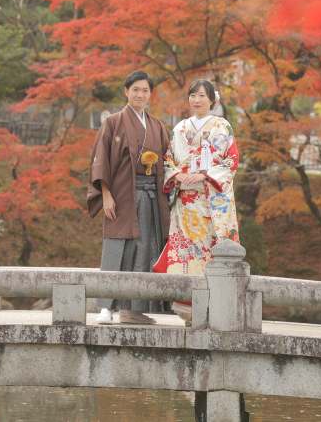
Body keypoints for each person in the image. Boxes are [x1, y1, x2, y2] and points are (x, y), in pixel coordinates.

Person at [152, 79, 240, 325]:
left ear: (213, 99)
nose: (197, 100)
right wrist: (177, 175)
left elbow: (230, 161)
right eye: (193, 95)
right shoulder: (179, 128)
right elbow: (167, 159)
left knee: (211, 249)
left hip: (210, 202)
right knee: (185, 251)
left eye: (202, 95)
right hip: (186, 201)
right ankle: (187, 309)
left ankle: (213, 306)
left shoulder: (222, 127)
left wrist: (202, 175)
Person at [87, 71, 171, 324]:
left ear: (150, 94)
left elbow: (170, 161)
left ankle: (132, 311)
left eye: (145, 90)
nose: (140, 94)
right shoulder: (113, 122)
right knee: (117, 248)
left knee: (146, 251)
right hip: (122, 195)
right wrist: (106, 195)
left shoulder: (157, 126)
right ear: (126, 91)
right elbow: (100, 160)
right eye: (135, 89)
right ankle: (106, 309)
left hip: (152, 198)